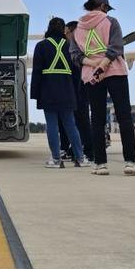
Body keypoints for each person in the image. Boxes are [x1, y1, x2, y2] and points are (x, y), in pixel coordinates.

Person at [69, 0, 135, 176]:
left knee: (96, 120)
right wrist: (103, 65)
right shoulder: (111, 22)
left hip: (91, 76)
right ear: (103, 6)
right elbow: (116, 47)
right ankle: (130, 162)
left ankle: (100, 164)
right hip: (114, 72)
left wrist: (93, 65)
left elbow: (74, 55)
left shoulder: (77, 29)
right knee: (124, 117)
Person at [31, 18, 85, 168]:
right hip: (67, 90)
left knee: (52, 125)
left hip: (48, 91)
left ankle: (56, 159)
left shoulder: (41, 46)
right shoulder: (69, 46)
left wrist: (35, 93)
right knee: (70, 125)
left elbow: (36, 72)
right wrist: (76, 92)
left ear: (48, 28)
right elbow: (76, 72)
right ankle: (80, 158)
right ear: (63, 30)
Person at [65, 20, 94, 163]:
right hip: (78, 89)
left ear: (72, 32)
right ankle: (77, 149)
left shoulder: (79, 47)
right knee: (79, 120)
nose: (66, 36)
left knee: (82, 120)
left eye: (67, 33)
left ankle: (89, 151)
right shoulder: (76, 47)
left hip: (81, 89)